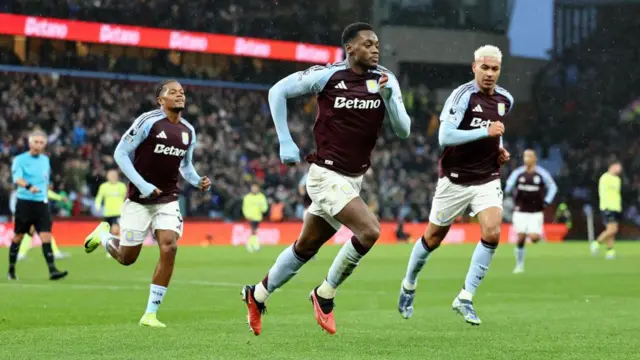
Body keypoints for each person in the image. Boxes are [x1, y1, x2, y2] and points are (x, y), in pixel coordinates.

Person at [242, 22, 411, 336]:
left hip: (353, 178)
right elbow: (277, 90)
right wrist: (285, 141)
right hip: (325, 175)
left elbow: (404, 130)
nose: (376, 49)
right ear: (350, 48)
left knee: (305, 247)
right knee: (370, 231)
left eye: (377, 44)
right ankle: (325, 294)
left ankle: (257, 294)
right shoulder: (327, 75)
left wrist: (389, 97)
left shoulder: (385, 79)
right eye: (368, 44)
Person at [397, 45, 514, 325]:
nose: (489, 73)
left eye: (494, 69)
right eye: (484, 68)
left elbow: (494, 130)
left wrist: (499, 147)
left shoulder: (505, 99)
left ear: (500, 70)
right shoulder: (462, 96)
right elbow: (445, 136)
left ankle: (465, 297)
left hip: (487, 177)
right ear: (473, 67)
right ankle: (409, 284)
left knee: (493, 232)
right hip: (455, 180)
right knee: (432, 238)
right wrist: (485, 132)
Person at [83, 80, 211, 327]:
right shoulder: (148, 121)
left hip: (168, 198)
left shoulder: (188, 131)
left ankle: (150, 314)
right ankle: (104, 236)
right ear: (160, 100)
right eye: (172, 92)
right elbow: (120, 153)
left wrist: (197, 181)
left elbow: (185, 166)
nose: (179, 95)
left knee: (169, 247)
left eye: (182, 92)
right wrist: (142, 185)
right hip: (139, 200)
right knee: (126, 258)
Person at [7, 130, 68, 281]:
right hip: (25, 203)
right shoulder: (19, 160)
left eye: (41, 143)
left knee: (46, 235)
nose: (38, 145)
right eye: (36, 142)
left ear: (45, 145)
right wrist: (29, 187)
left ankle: (53, 271)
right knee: (18, 237)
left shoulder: (45, 160)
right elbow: (17, 179)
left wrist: (56, 196)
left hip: (41, 203)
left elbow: (45, 184)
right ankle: (11, 269)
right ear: (30, 143)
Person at [504, 149, 557, 273]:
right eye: (525, 156)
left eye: (529, 156)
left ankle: (538, 236)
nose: (526, 158)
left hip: (536, 211)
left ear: (535, 158)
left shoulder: (542, 173)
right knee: (521, 237)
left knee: (533, 238)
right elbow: (508, 186)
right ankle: (519, 265)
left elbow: (553, 187)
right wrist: (510, 195)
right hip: (520, 210)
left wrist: (547, 201)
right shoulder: (518, 173)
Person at [13, 188, 70, 261]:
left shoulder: (29, 184)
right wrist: (60, 198)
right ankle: (55, 253)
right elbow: (46, 192)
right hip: (37, 211)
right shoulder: (37, 184)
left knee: (31, 233)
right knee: (44, 231)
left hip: (29, 210)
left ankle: (21, 254)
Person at [591, 161, 622, 259]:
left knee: (611, 230)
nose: (619, 169)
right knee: (613, 229)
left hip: (616, 207)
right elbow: (603, 192)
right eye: (618, 167)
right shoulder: (605, 178)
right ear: (612, 166)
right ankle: (596, 243)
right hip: (607, 206)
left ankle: (610, 251)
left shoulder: (617, 179)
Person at [94, 169, 127, 257]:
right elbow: (99, 197)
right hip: (107, 213)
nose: (112, 177)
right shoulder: (104, 186)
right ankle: (112, 249)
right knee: (109, 233)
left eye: (114, 175)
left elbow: (126, 198)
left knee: (115, 230)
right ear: (107, 177)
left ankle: (116, 249)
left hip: (118, 212)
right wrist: (97, 205)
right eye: (111, 176)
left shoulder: (121, 186)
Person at [242, 183, 269, 252]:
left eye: (255, 188)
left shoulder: (261, 197)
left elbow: (264, 207)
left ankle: (250, 244)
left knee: (254, 231)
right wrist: (247, 215)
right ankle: (254, 245)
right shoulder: (247, 197)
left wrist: (261, 208)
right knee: (253, 230)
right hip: (250, 217)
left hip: (258, 217)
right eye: (253, 188)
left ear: (258, 189)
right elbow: (244, 207)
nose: (254, 189)